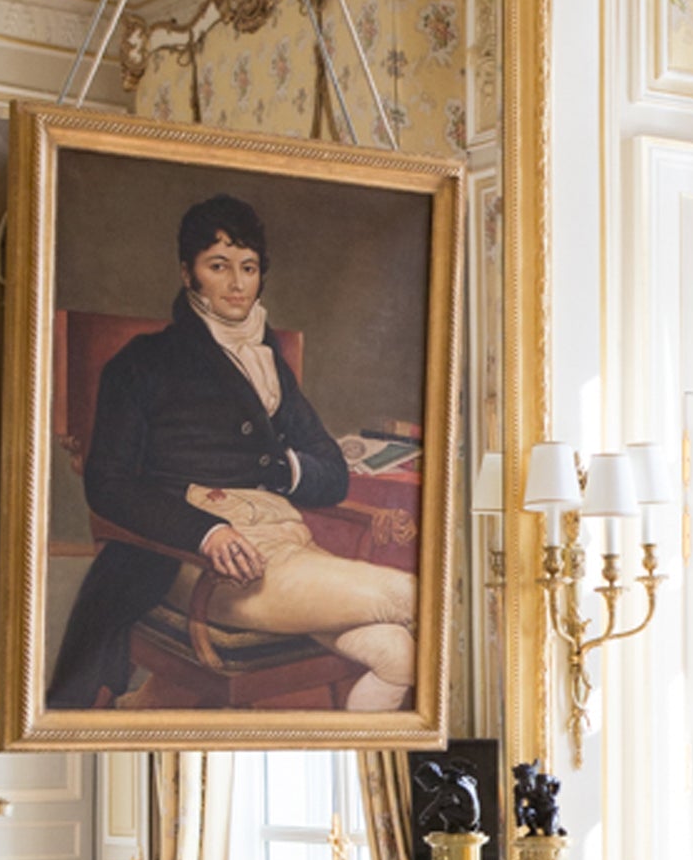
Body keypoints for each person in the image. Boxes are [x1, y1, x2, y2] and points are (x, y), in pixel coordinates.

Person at [47, 194, 416, 712]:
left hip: (290, 544)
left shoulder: (271, 362)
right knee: (412, 597)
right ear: (188, 273)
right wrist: (207, 532)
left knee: (399, 653)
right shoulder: (144, 363)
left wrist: (282, 469)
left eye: (248, 268)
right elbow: (108, 483)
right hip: (202, 561)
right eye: (218, 267)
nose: (237, 284)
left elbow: (332, 475)